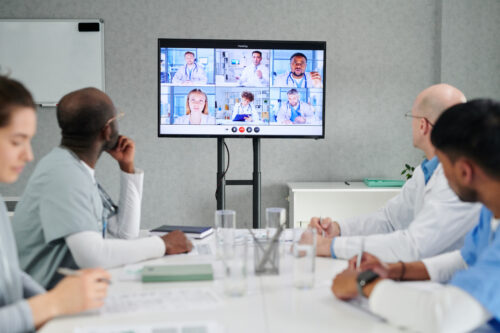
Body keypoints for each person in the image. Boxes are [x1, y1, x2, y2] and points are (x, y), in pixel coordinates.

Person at [332, 99, 500, 332]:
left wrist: (364, 284)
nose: (440, 176)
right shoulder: (490, 212)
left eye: (441, 165)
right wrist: (396, 270)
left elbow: (443, 317)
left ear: (464, 171)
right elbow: (465, 259)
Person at [13, 87, 192, 289]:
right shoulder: (64, 174)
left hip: (60, 295)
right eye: (117, 117)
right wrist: (163, 244)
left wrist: (127, 168)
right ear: (107, 130)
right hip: (39, 303)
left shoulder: (75, 168)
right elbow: (92, 256)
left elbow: (124, 234)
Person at [310, 84, 481, 262]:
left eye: (412, 117)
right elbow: (390, 220)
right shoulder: (426, 171)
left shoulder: (458, 180)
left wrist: (329, 247)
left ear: (422, 125)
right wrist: (338, 229)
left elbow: (413, 246)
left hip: (449, 283)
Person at [0, 76, 111, 332]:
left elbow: (10, 275)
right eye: (17, 141)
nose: (28, 155)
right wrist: (53, 303)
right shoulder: (63, 171)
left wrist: (65, 301)